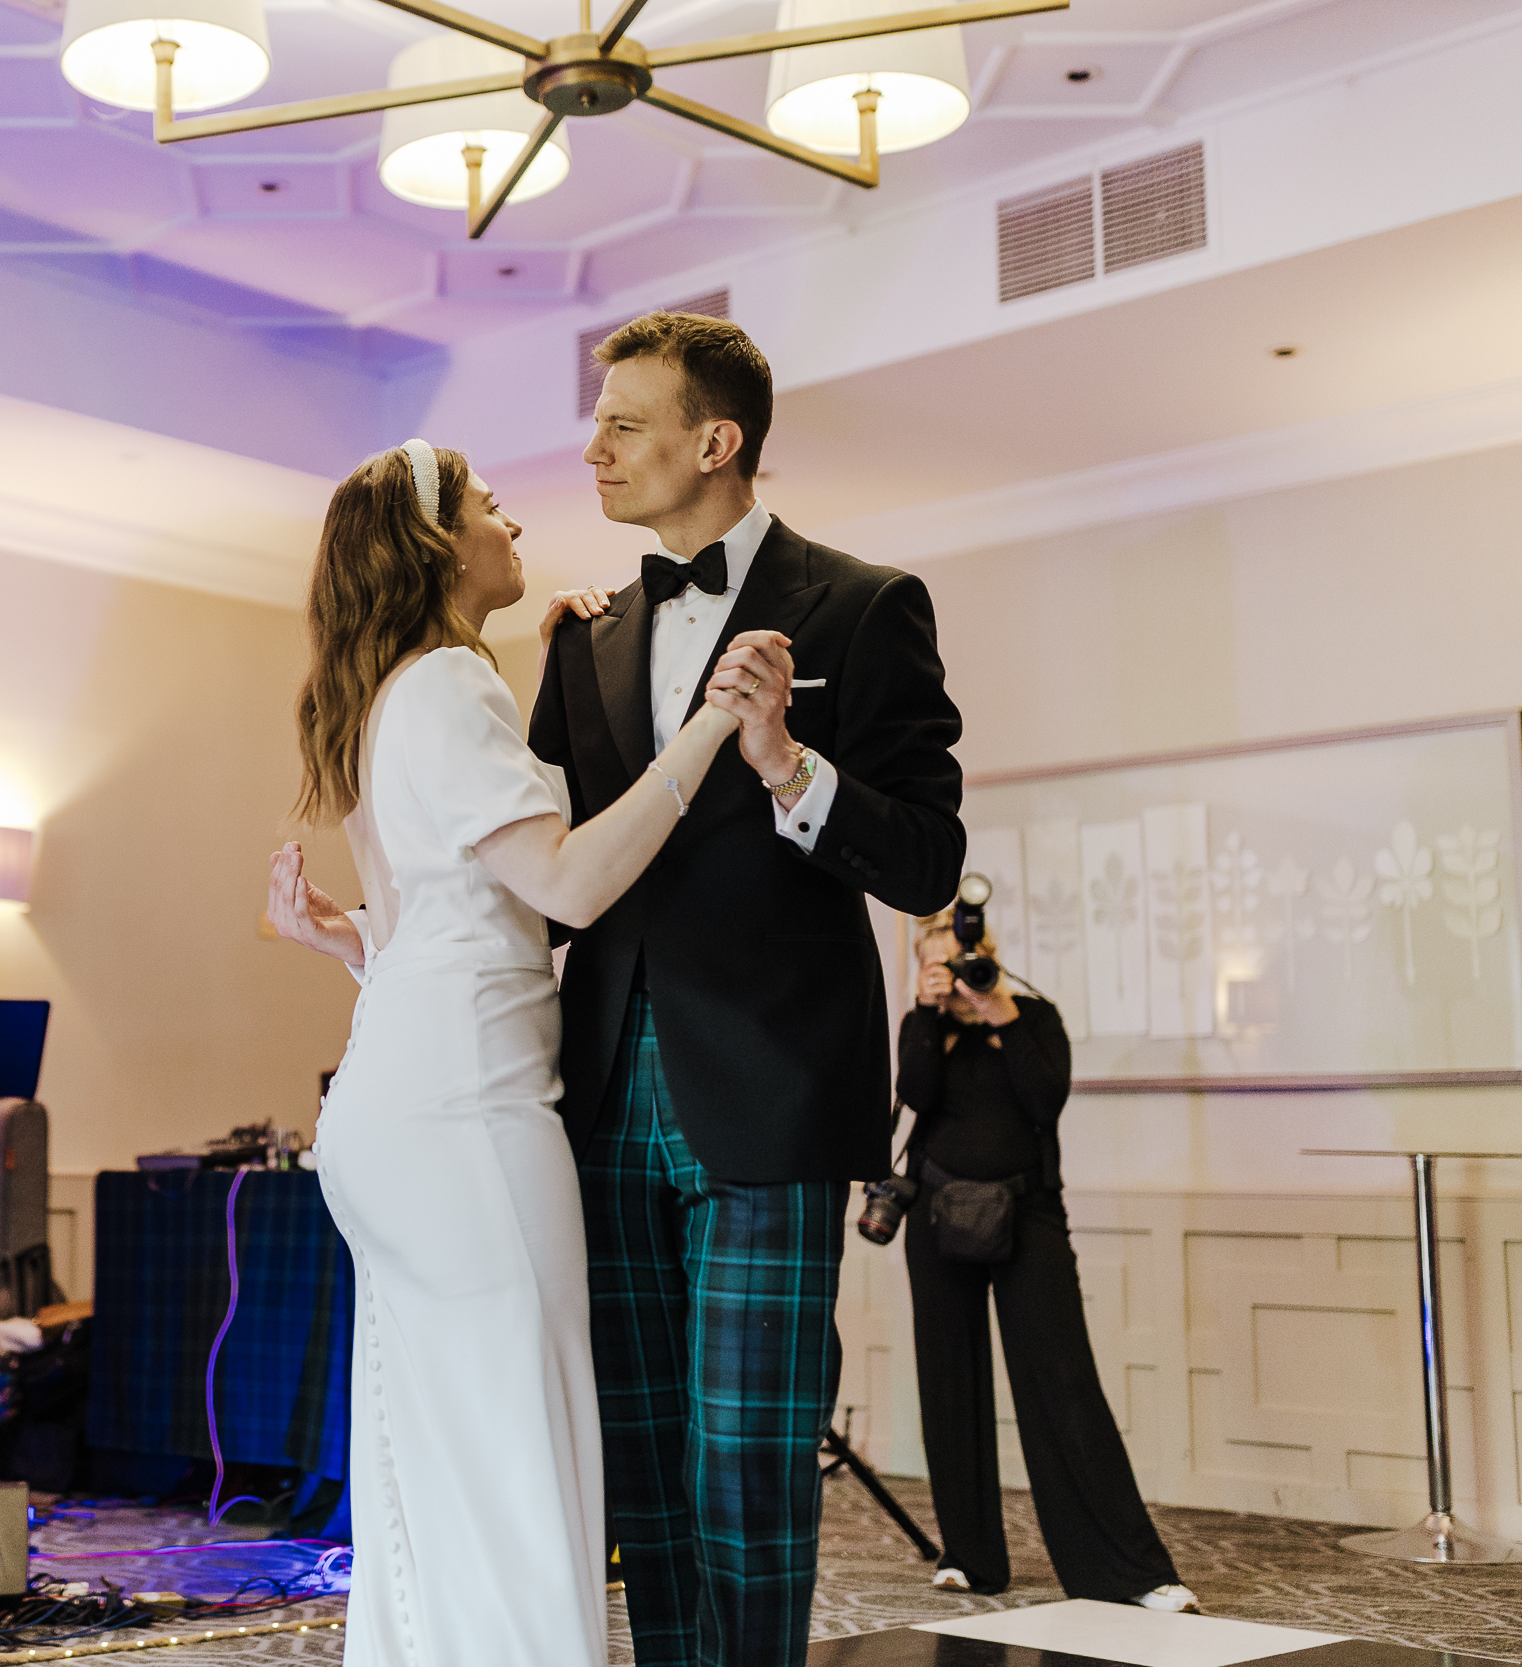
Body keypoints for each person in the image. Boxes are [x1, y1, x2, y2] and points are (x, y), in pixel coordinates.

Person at [265, 438, 758, 1667]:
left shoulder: (395, 695)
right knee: (520, 1450)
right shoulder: (445, 684)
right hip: (467, 1115)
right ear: (440, 542)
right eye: (491, 507)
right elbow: (568, 886)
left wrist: (342, 937)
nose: (515, 527)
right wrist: (708, 727)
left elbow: (440, 923)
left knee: (432, 1458)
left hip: (394, 1101)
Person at [528, 311, 966, 1667]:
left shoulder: (864, 603)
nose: (592, 449)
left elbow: (926, 855)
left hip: (773, 1088)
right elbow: (547, 867)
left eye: (624, 424)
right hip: (602, 1090)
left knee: (746, 1459)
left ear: (715, 441)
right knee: (645, 1460)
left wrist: (787, 763)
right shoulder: (583, 636)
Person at [899, 911, 1197, 1612]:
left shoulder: (1033, 1016)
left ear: (991, 956)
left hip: (1027, 1211)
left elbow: (1044, 1098)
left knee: (1063, 1381)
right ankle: (968, 1555)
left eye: (967, 961)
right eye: (940, 965)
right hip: (937, 1211)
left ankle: (1127, 1571)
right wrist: (927, 1013)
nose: (958, 977)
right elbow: (917, 1093)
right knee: (949, 1382)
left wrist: (998, 1012)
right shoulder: (923, 1025)